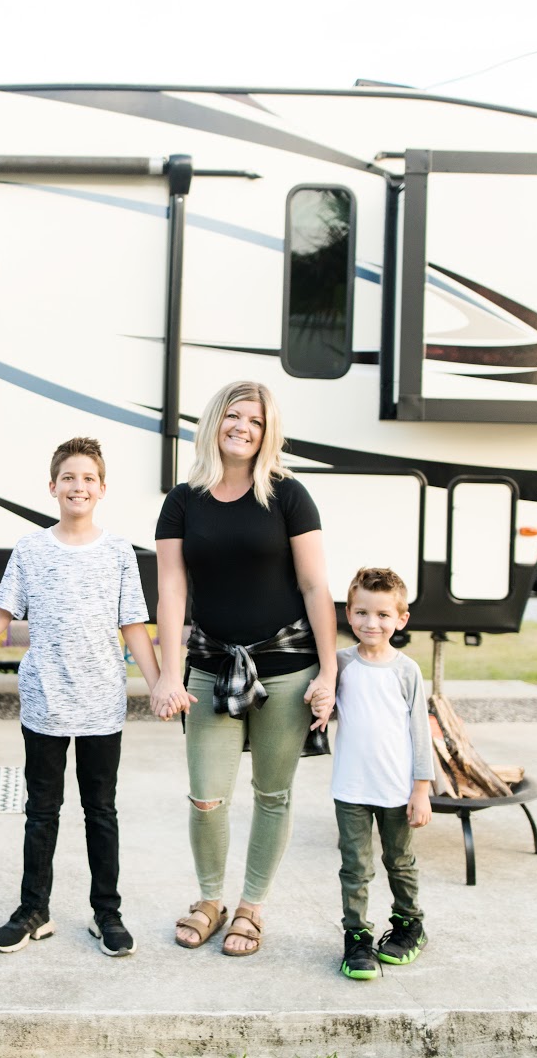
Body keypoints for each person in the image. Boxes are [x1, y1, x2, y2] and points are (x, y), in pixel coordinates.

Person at [0, 437, 160, 957]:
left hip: (101, 707)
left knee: (101, 811)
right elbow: (0, 616)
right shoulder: (31, 549)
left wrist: (160, 685)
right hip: (44, 701)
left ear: (102, 489)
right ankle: (33, 910)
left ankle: (106, 913)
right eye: (69, 477)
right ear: (52, 487)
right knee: (42, 810)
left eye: (88, 478)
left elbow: (135, 625)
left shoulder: (119, 553)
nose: (78, 486)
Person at [150, 380, 339, 957]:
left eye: (255, 422)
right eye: (233, 417)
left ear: (267, 431)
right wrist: (165, 673)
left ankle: (252, 907)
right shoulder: (183, 500)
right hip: (210, 668)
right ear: (215, 422)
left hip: (285, 668)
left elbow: (314, 586)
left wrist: (329, 672)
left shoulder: (288, 496)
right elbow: (172, 593)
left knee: (272, 794)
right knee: (207, 795)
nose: (243, 428)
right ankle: (211, 899)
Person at [312, 566, 433, 980]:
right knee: (355, 866)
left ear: (401, 619)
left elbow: (420, 731)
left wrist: (421, 788)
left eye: (383, 615)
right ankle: (357, 936)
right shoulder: (340, 664)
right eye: (362, 613)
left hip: (397, 789)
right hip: (351, 787)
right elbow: (322, 707)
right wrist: (317, 703)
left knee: (399, 860)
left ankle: (408, 924)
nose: (371, 623)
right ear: (349, 614)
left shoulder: (406, 671)